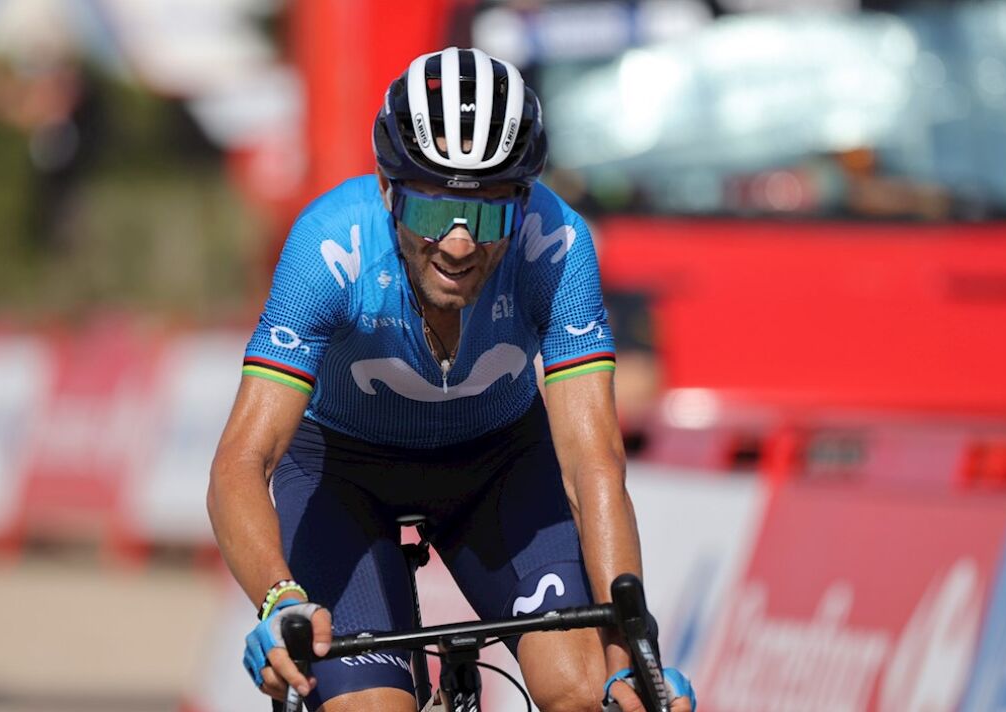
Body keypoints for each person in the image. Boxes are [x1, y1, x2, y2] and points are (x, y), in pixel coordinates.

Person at [207, 46, 695, 712]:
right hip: (343, 473)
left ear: (523, 202)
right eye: (434, 213)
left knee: (585, 695)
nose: (460, 245)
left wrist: (629, 658)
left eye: (489, 215)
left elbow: (593, 467)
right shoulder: (329, 247)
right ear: (388, 192)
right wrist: (278, 599)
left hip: (498, 467)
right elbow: (241, 461)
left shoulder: (557, 245)